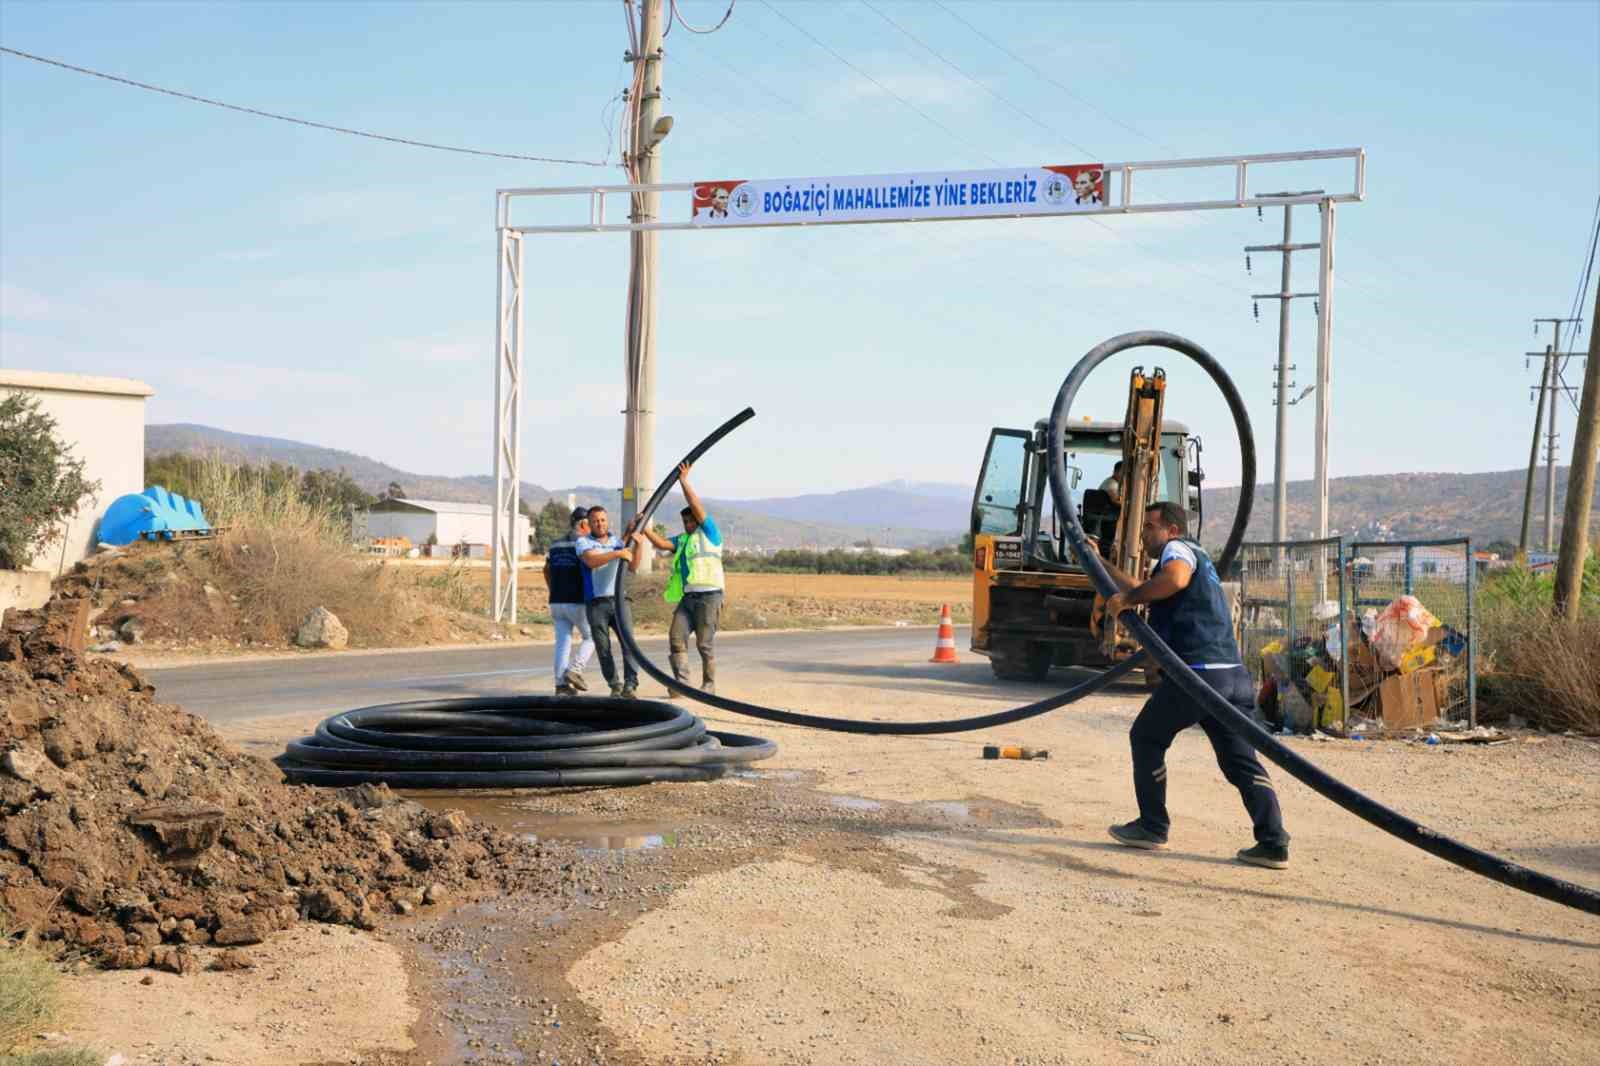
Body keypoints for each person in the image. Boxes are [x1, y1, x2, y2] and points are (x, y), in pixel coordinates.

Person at [1099, 501, 1291, 869]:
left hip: (1198, 675)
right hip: (1232, 677)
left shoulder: (1179, 550)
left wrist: (1128, 600)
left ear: (1172, 529)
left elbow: (1173, 581)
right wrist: (1101, 564)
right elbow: (1147, 586)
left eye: (1150, 527)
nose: (1144, 534)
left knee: (1147, 737)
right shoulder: (1194, 557)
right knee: (1240, 762)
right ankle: (1273, 841)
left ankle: (1152, 826)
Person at [637, 462, 725, 696]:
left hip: (710, 596)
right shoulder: (683, 540)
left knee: (704, 644)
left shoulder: (710, 533)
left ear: (698, 520)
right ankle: (681, 684)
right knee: (676, 637)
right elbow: (662, 543)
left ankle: (709, 684)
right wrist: (643, 527)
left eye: (691, 521)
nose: (687, 525)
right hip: (689, 597)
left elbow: (696, 505)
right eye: (685, 522)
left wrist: (684, 481)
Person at [576, 504, 644, 698]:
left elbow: (633, 566)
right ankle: (614, 685)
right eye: (596, 521)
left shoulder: (617, 541)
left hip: (620, 600)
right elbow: (591, 561)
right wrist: (617, 552)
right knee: (603, 647)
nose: (600, 524)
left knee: (629, 644)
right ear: (589, 523)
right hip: (596, 603)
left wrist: (636, 544)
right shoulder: (583, 543)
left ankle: (630, 685)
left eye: (603, 520)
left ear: (608, 521)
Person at [542, 508, 595, 696]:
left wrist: (553, 590)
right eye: (592, 523)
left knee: (563, 642)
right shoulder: (584, 544)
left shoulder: (555, 544)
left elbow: (546, 570)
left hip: (556, 601)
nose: (594, 527)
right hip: (577, 601)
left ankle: (561, 685)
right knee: (592, 636)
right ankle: (575, 670)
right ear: (582, 524)